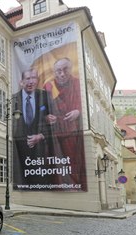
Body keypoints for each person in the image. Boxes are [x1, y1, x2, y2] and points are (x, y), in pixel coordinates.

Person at [11, 67, 58, 188]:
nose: (31, 81)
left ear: (37, 80)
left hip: (41, 152)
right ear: (21, 82)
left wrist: (41, 136)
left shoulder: (45, 96)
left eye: (34, 78)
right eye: (27, 78)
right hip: (18, 150)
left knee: (40, 182)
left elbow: (57, 123)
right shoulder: (13, 99)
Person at [43, 57, 86, 189]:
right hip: (55, 134)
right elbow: (42, 107)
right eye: (58, 71)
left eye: (65, 70)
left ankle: (74, 186)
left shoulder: (78, 84)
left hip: (74, 132)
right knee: (56, 163)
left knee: (73, 162)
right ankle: (59, 186)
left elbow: (85, 106)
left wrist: (78, 112)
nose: (62, 74)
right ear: (54, 72)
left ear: (71, 69)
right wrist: (46, 117)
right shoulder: (49, 87)